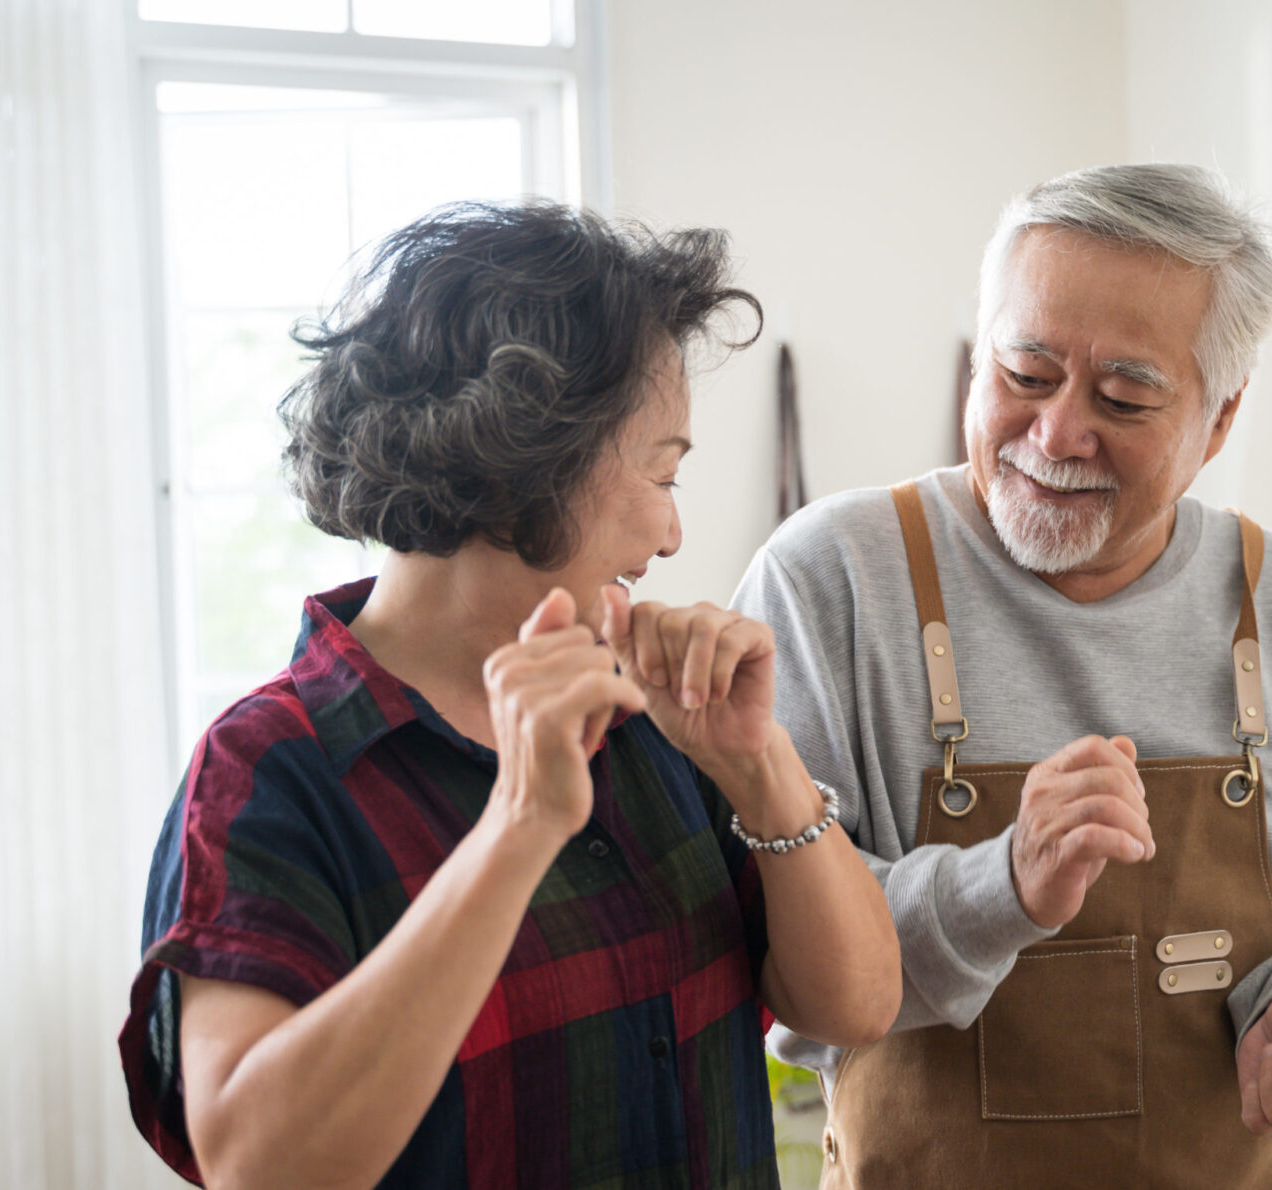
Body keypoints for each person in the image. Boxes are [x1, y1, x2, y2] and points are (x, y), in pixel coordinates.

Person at [119, 201, 900, 1190]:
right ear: (528, 455)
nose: (670, 537)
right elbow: (257, 1161)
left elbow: (857, 1003)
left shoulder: (652, 715)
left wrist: (757, 763)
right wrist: (517, 826)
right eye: (662, 470)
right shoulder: (268, 770)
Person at [731, 164, 1272, 1187]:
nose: (1055, 434)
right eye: (1024, 375)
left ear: (1217, 421)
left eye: (1122, 396)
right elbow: (771, 936)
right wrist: (1003, 882)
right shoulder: (831, 580)